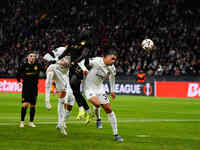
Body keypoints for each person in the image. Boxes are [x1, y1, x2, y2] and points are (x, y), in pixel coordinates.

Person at [79, 48, 124, 142]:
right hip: (88, 88)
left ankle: (116, 134)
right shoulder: (96, 61)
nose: (113, 61)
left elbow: (112, 77)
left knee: (108, 109)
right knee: (97, 103)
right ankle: (98, 118)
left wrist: (112, 90)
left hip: (99, 89)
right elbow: (81, 61)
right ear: (106, 57)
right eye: (112, 58)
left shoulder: (112, 68)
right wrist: (84, 69)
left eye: (115, 59)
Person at [57, 36, 93, 124]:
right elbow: (66, 51)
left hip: (81, 66)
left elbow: (84, 55)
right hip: (72, 67)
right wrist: (58, 58)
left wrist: (74, 62)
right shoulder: (72, 43)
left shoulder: (86, 44)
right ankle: (88, 112)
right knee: (76, 91)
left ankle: (81, 109)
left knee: (73, 83)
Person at [44, 46, 74, 135]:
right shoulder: (61, 50)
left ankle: (61, 124)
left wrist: (69, 64)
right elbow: (46, 56)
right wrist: (55, 60)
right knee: (49, 76)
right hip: (54, 68)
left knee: (62, 100)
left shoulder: (75, 55)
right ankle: (47, 101)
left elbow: (74, 65)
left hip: (63, 75)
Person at [17, 51, 43, 128]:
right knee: (25, 104)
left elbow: (45, 70)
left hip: (34, 87)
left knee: (33, 105)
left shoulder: (38, 65)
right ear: (28, 57)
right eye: (31, 56)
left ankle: (31, 122)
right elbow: (18, 74)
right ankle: (22, 122)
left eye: (34, 56)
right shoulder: (24, 65)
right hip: (26, 87)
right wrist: (19, 82)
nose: (33, 57)